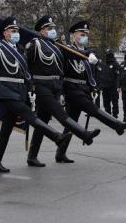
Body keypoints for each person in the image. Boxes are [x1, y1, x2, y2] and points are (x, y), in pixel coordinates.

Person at [0, 17, 70, 173]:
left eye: (17, 31)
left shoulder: (20, 50)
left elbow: (25, 73)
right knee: (28, 114)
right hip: (4, 91)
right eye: (13, 31)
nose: (16, 33)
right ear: (5, 33)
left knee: (6, 129)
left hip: (18, 92)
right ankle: (56, 136)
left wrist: (31, 89)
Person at [25, 15, 101, 167]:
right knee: (60, 113)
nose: (52, 31)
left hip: (54, 87)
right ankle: (84, 134)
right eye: (49, 28)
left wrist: (88, 54)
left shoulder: (56, 46)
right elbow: (25, 65)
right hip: (41, 86)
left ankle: (32, 156)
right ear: (42, 31)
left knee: (42, 122)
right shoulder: (35, 44)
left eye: (53, 28)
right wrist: (29, 86)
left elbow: (73, 53)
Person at [57, 21, 126, 163]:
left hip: (83, 89)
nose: (84, 37)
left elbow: (90, 74)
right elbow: (61, 71)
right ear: (73, 36)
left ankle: (60, 153)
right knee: (93, 109)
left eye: (86, 34)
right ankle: (117, 125)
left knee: (71, 123)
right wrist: (60, 91)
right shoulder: (68, 50)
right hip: (71, 88)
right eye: (82, 34)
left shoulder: (89, 55)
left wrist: (93, 88)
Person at [96, 48, 120, 119]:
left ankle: (115, 115)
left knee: (114, 102)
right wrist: (99, 85)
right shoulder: (103, 64)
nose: (107, 55)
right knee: (106, 102)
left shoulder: (115, 64)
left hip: (113, 87)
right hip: (105, 87)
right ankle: (108, 115)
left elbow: (118, 76)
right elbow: (100, 75)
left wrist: (118, 86)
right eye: (106, 54)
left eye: (108, 54)